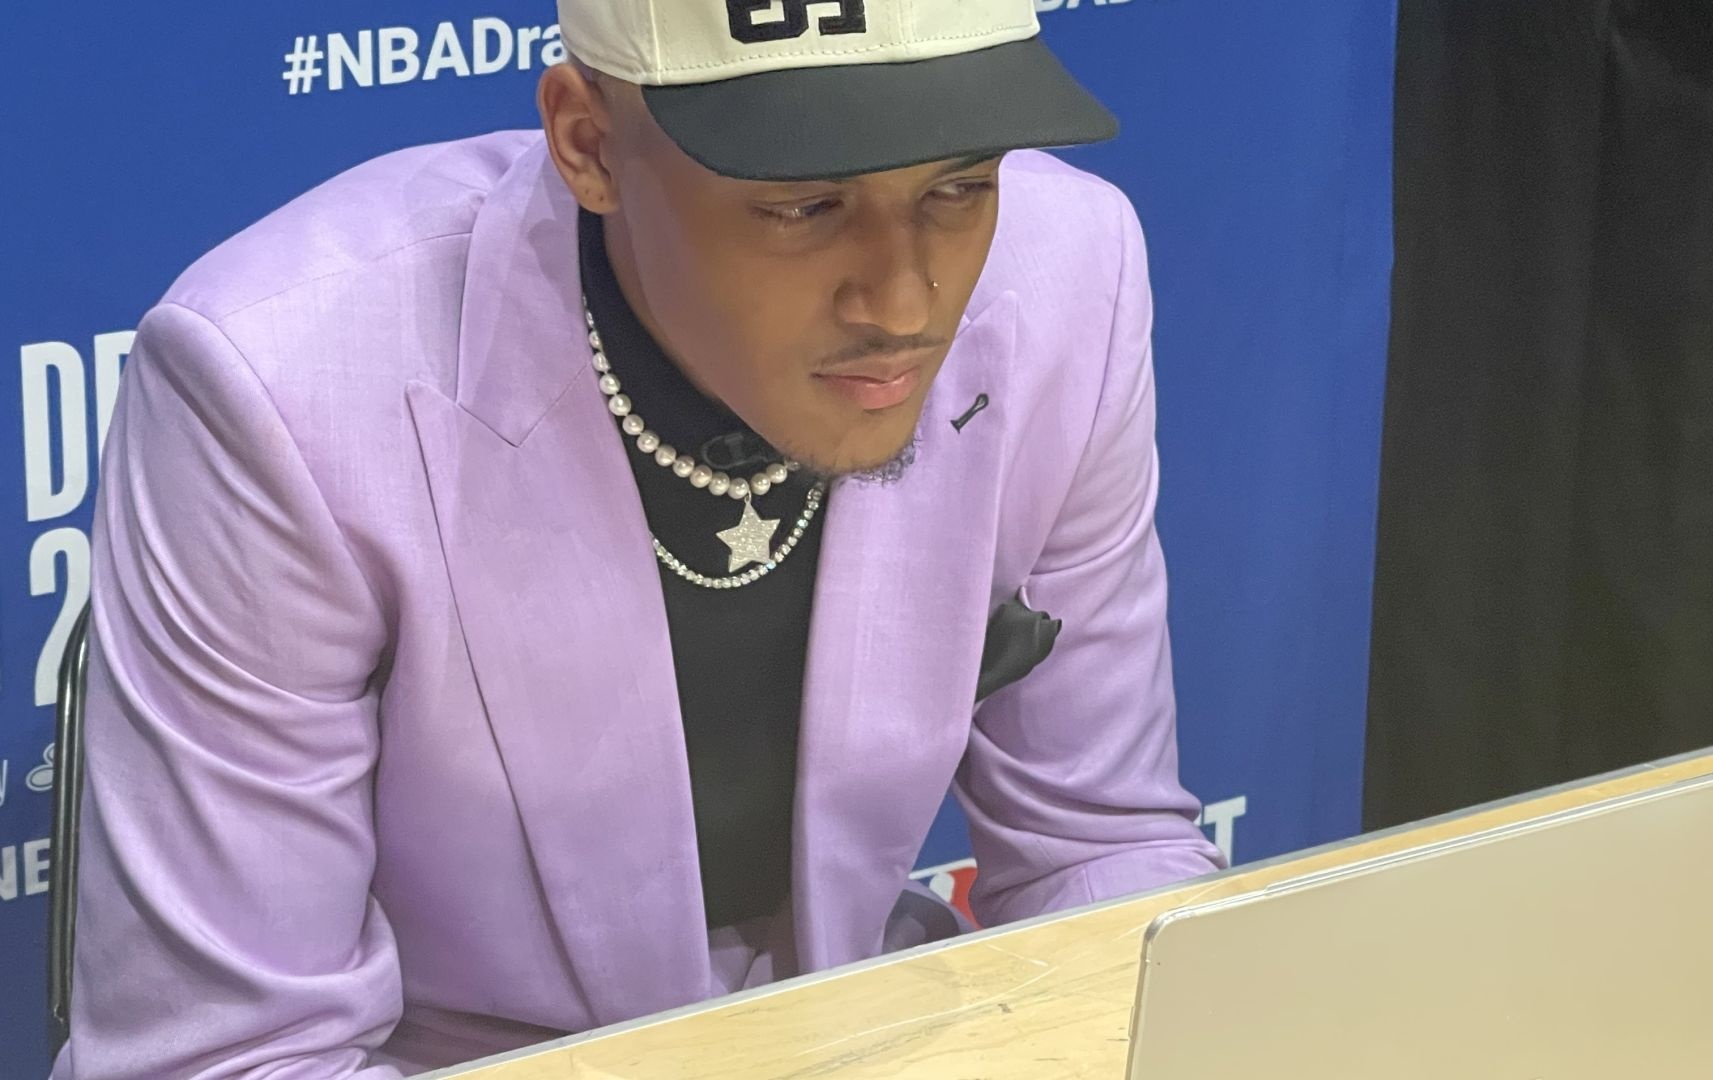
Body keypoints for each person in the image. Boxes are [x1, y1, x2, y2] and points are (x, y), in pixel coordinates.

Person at [54, 0, 1223, 1075]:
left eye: (958, 189)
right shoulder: (279, 386)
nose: (904, 302)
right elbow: (235, 1058)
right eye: (803, 206)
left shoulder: (1071, 277)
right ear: (591, 145)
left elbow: (1100, 855)